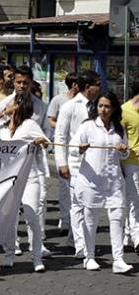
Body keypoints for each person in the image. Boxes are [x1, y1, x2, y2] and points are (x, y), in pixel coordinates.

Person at [70, 92, 132, 273]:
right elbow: (73, 149)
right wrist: (79, 149)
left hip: (114, 183)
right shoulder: (87, 127)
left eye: (107, 106)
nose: (103, 110)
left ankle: (118, 260)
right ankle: (89, 257)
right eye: (100, 106)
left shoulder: (119, 128)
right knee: (90, 220)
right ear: (96, 107)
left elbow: (125, 153)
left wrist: (123, 150)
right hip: (92, 182)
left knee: (118, 218)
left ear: (113, 109)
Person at [0, 92, 48, 272]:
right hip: (8, 180)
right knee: (10, 219)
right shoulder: (2, 128)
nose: (5, 106)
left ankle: (37, 257)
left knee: (32, 217)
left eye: (10, 103)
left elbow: (47, 142)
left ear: (18, 106)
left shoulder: (30, 125)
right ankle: (9, 254)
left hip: (30, 178)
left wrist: (41, 141)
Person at [54, 70, 101, 259]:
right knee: (77, 204)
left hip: (94, 163)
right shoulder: (70, 107)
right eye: (97, 83)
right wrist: (61, 163)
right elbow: (60, 136)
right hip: (74, 163)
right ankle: (81, 245)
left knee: (88, 204)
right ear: (88, 87)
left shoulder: (99, 107)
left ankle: (75, 239)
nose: (100, 86)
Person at [47, 72, 79, 235]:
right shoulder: (58, 100)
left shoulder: (83, 102)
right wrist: (62, 125)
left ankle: (75, 223)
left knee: (77, 188)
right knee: (64, 188)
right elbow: (50, 119)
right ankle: (65, 221)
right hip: (63, 147)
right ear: (74, 85)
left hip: (78, 149)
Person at [121, 80, 139, 254]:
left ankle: (128, 235)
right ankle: (137, 239)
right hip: (131, 163)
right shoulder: (124, 111)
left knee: (134, 202)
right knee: (134, 201)